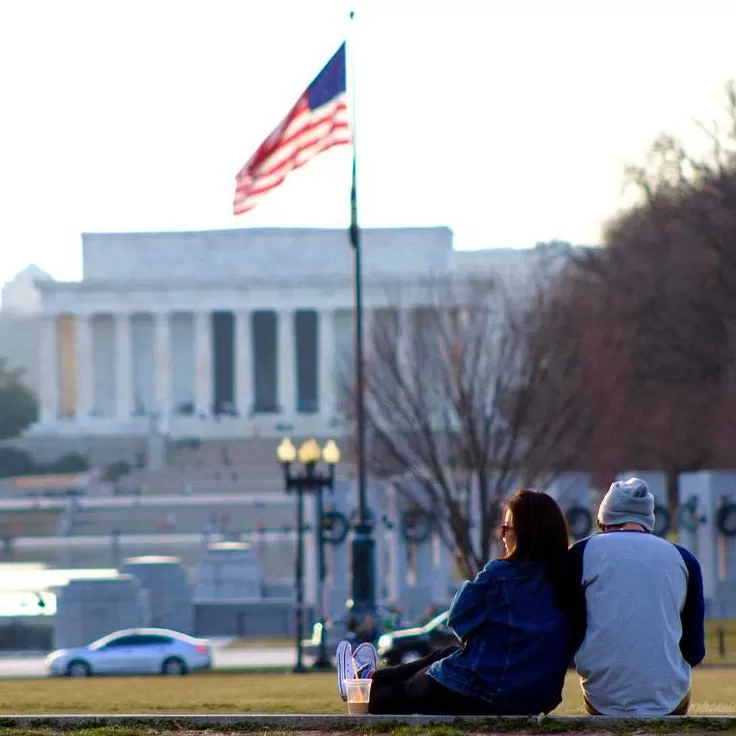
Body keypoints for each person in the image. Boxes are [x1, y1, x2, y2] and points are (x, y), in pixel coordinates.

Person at [335, 489, 574, 715]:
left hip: (484, 693)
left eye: (506, 528)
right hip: (538, 697)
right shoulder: (567, 578)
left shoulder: (501, 575)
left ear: (523, 534)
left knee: (412, 689)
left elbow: (458, 620)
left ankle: (362, 692)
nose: (502, 535)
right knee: (448, 653)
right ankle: (367, 678)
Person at [568, 477, 705, 716]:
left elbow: (569, 633)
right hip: (668, 698)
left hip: (603, 697)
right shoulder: (684, 559)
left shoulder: (581, 553)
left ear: (605, 518)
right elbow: (694, 651)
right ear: (648, 519)